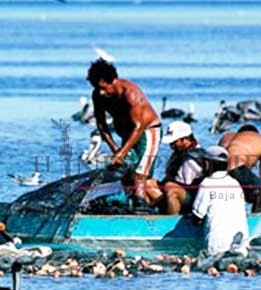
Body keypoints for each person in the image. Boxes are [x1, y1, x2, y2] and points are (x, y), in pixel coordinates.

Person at [87, 59, 162, 203]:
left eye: (104, 88)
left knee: (140, 176)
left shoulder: (130, 92)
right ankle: (137, 205)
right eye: (97, 87)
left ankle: (151, 207)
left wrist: (121, 153)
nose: (101, 93)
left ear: (112, 81)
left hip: (147, 132)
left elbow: (138, 127)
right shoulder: (97, 94)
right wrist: (115, 148)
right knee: (127, 177)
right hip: (129, 136)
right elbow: (101, 125)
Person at [192, 146, 249, 256]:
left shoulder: (207, 183)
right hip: (242, 247)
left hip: (217, 247)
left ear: (208, 164)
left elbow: (197, 217)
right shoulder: (235, 184)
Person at [159, 121, 206, 214]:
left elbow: (186, 185)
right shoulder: (178, 153)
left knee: (171, 188)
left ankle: (170, 223)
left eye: (174, 142)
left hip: (193, 199)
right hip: (180, 191)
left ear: (185, 139)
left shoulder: (192, 158)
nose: (171, 146)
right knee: (149, 183)